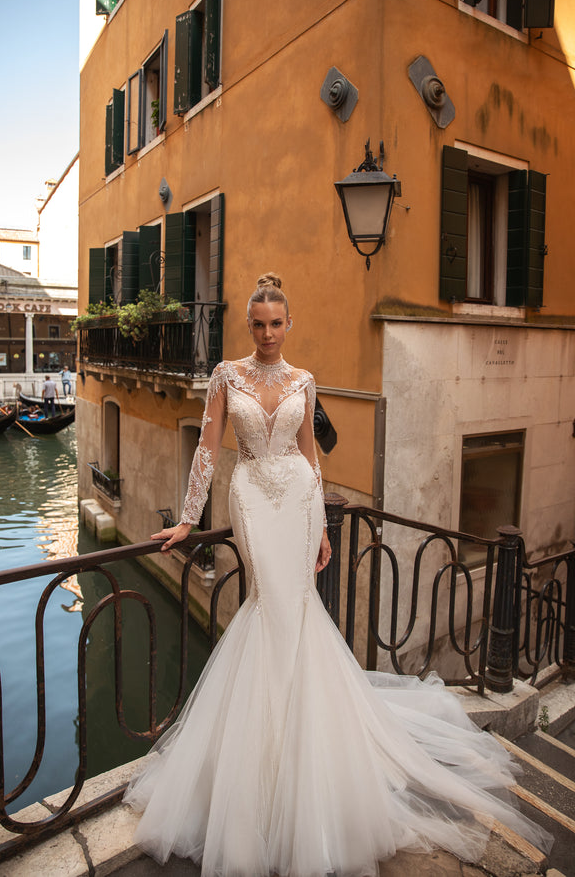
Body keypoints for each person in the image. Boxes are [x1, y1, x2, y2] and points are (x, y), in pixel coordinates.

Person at [124, 274, 552, 876]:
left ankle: (302, 767)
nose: (268, 333)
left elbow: (309, 453)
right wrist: (190, 520)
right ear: (248, 325)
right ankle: (260, 777)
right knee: (271, 605)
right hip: (250, 496)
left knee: (296, 608)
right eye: (259, 323)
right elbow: (208, 447)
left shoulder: (304, 380)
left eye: (277, 323)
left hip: (299, 502)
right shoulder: (225, 375)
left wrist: (323, 526)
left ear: (289, 324)